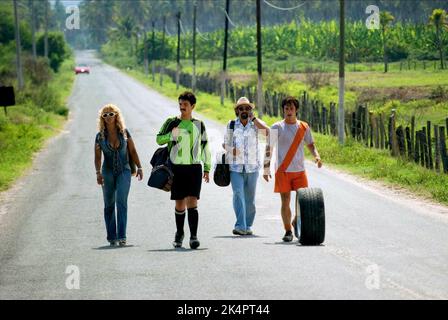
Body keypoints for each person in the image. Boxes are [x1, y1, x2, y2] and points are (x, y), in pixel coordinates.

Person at [263, 96, 323, 242]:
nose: (289, 111)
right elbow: (268, 148)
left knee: (303, 201)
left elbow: (311, 145)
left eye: (291, 108)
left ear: (296, 110)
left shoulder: (304, 127)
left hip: (299, 170)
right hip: (282, 171)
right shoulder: (276, 127)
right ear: (283, 110)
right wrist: (266, 168)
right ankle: (288, 231)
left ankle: (296, 221)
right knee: (285, 201)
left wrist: (317, 156)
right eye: (286, 108)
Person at [156, 91, 211, 249]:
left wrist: (207, 168)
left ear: (193, 106)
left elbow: (205, 146)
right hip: (176, 168)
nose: (182, 107)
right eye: (180, 104)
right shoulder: (171, 122)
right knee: (180, 203)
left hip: (194, 168)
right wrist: (171, 136)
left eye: (185, 105)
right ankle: (179, 233)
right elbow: (159, 138)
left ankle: (193, 236)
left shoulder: (199, 124)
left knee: (193, 201)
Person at [94, 104, 143, 247]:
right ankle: (111, 237)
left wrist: (139, 167)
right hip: (107, 172)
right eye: (105, 115)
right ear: (102, 118)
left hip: (124, 171)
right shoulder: (100, 137)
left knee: (121, 201)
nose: (108, 117)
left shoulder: (124, 133)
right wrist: (98, 173)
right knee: (109, 204)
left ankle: (122, 236)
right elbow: (97, 157)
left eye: (111, 114)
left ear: (116, 115)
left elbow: (133, 151)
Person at [223, 97, 269, 236]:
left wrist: (253, 119)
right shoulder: (231, 124)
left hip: (252, 168)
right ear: (237, 110)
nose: (244, 111)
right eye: (241, 108)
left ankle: (247, 225)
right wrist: (232, 150)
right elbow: (225, 144)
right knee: (238, 195)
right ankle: (240, 225)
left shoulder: (255, 124)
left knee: (250, 200)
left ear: (251, 110)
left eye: (247, 108)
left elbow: (269, 133)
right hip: (235, 168)